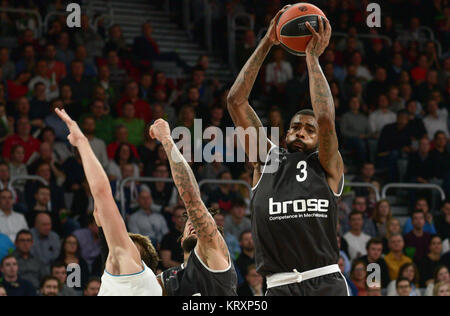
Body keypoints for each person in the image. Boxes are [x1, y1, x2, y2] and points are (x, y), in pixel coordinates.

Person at [227, 8, 348, 296]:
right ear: (285, 134)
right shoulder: (266, 160)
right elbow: (236, 101)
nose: (300, 132)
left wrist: (312, 58)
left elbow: (326, 120)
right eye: (295, 127)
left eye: (309, 129)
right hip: (279, 286)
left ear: (320, 140)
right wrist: (267, 42)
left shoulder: (328, 164)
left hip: (325, 281)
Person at [54, 108, 161, 296]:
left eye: (123, 239)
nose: (115, 239)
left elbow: (103, 193)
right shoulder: (148, 285)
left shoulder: (128, 266)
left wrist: (82, 142)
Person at [150, 118, 237, 296]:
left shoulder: (214, 250)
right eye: (189, 223)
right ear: (181, 239)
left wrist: (166, 139)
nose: (193, 224)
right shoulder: (167, 279)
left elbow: (191, 198)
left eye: (197, 222)